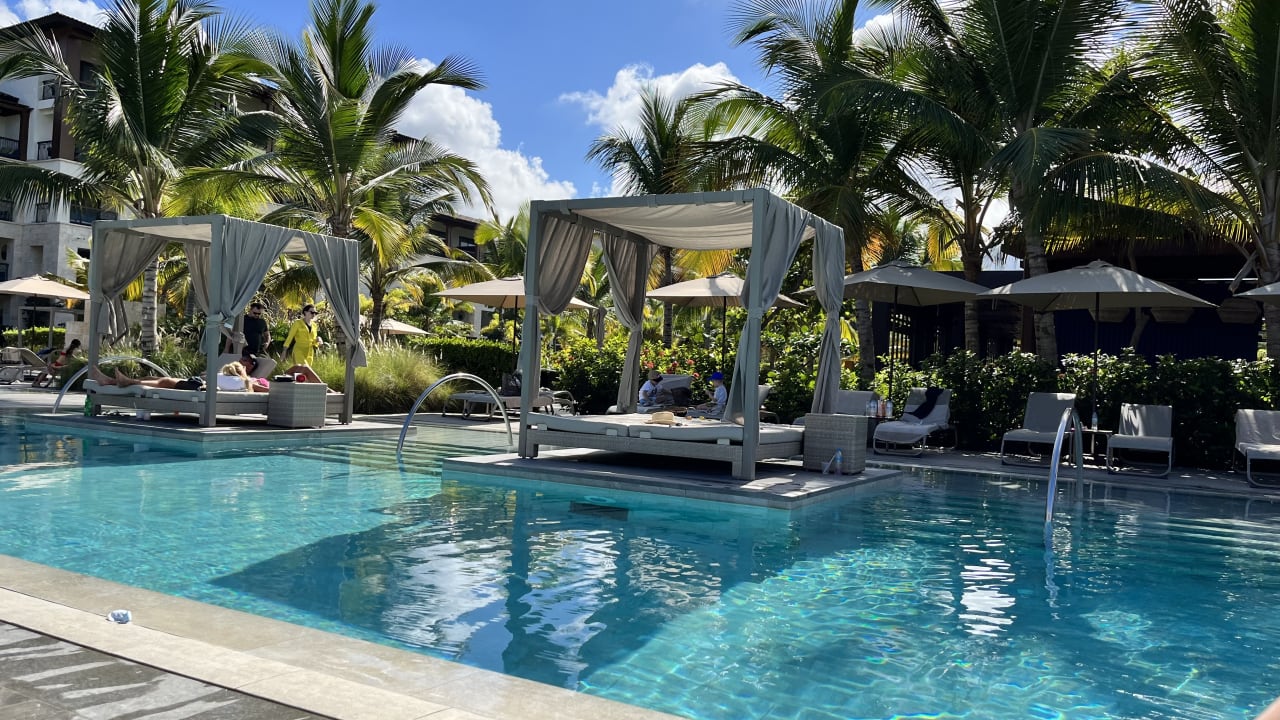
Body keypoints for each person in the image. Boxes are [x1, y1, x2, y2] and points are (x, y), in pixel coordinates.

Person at [88, 364, 204, 390]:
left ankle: (128, 381)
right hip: (202, 382)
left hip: (204, 387)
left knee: (166, 381)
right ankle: (109, 381)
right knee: (152, 378)